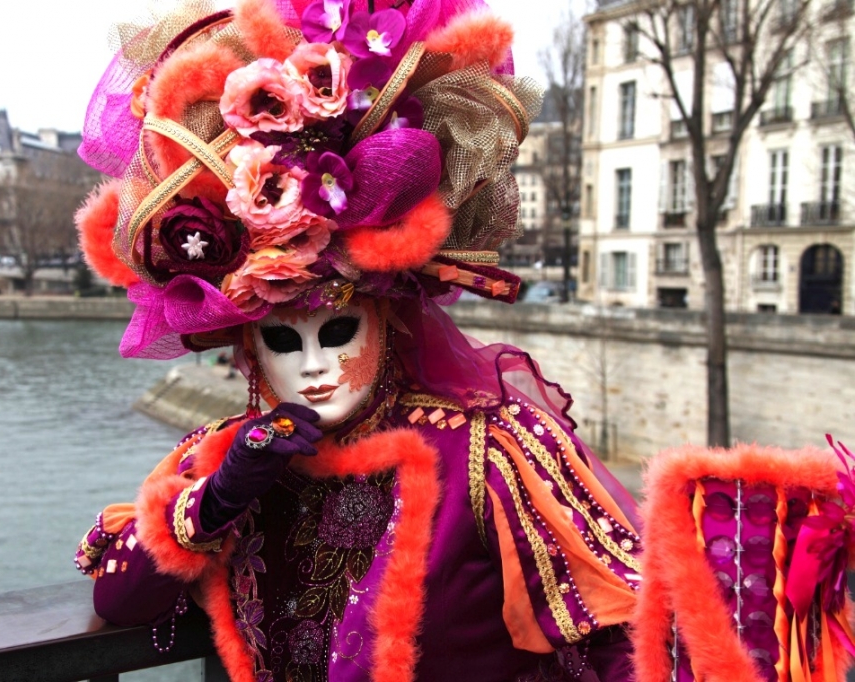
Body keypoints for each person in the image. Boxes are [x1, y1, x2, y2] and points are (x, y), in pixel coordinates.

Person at [72, 1, 642, 679]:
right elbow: (123, 596)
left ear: (387, 321)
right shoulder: (230, 456)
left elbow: (626, 631)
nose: (314, 366)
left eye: (339, 331)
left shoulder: (489, 449)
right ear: (247, 350)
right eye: (284, 342)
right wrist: (221, 496)